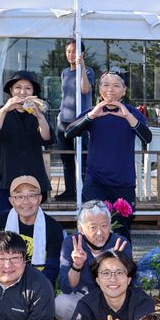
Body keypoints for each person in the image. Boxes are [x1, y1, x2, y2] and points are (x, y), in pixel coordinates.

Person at [63, 69, 150, 231]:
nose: (111, 89)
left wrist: (127, 117)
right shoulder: (93, 112)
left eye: (116, 85)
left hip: (123, 182)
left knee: (121, 230)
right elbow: (69, 133)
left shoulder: (132, 113)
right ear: (100, 89)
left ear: (124, 91)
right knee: (93, 229)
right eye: (106, 84)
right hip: (96, 181)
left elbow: (148, 138)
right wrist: (92, 116)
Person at [0, 176, 65, 287]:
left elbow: (53, 269)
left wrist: (23, 287)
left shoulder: (53, 227)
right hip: (1, 282)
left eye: (32, 195)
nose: (26, 201)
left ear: (40, 198)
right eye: (19, 196)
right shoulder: (1, 220)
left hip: (37, 286)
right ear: (11, 201)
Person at [54, 200, 131, 320]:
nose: (100, 232)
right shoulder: (71, 243)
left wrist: (115, 265)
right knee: (60, 304)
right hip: (84, 300)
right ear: (81, 229)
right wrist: (77, 266)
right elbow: (66, 287)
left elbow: (128, 285)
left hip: (114, 301)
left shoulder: (121, 244)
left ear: (110, 226)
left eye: (104, 226)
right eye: (93, 227)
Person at [0, 70, 53, 209]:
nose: (22, 92)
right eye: (18, 87)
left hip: (34, 178)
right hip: (7, 177)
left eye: (28, 88)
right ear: (11, 90)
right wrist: (5, 110)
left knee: (32, 223)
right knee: (6, 223)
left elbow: (47, 139)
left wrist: (39, 116)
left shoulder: (38, 113)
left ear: (33, 92)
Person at [53, 41, 95, 202]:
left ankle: (85, 192)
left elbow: (85, 89)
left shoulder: (88, 71)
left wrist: (82, 67)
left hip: (81, 121)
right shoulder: (64, 72)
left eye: (74, 52)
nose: (71, 54)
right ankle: (70, 190)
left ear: (82, 54)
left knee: (83, 158)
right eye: (68, 51)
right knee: (66, 158)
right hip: (63, 121)